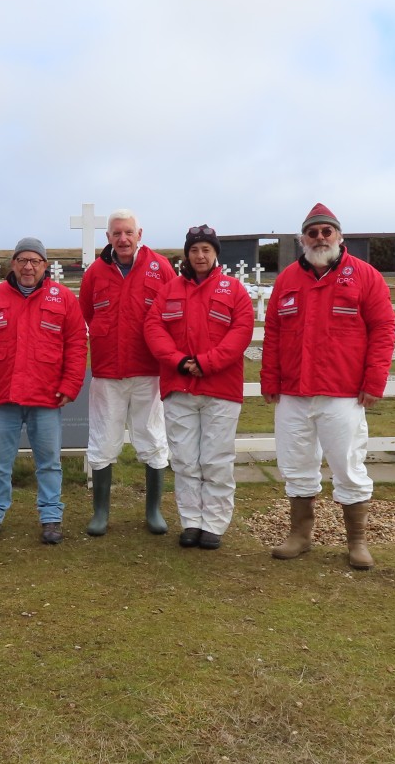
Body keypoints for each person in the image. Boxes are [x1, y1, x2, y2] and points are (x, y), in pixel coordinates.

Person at [261, 203, 395, 569]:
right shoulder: (287, 279)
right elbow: (273, 332)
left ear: (339, 236)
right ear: (302, 238)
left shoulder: (365, 276)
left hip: (343, 392)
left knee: (347, 464)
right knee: (296, 462)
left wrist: (374, 381)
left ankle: (357, 541)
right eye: (313, 232)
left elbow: (383, 330)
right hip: (293, 392)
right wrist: (270, 379)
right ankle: (300, 536)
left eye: (326, 231)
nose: (320, 238)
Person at [0, 238, 87, 544]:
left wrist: (70, 385)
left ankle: (51, 518)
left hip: (45, 396)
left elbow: (76, 345)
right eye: (22, 260)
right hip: (2, 394)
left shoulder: (63, 299)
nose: (28, 266)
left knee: (49, 462)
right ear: (13, 264)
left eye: (35, 261)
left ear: (45, 266)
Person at [143, 225, 254, 550]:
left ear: (215, 253)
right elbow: (154, 326)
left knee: (216, 459)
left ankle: (214, 523)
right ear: (187, 254)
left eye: (206, 249)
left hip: (221, 389)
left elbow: (241, 331)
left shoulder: (234, 290)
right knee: (185, 459)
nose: (200, 255)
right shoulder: (170, 290)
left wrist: (207, 362)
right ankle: (191, 521)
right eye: (194, 250)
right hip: (179, 387)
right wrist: (177, 360)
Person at [78, 209, 173, 536]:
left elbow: (174, 312)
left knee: (152, 438)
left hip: (149, 372)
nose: (122, 239)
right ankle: (101, 511)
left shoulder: (160, 268)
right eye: (116, 233)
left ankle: (153, 511)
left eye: (128, 232)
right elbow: (86, 313)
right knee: (103, 439)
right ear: (108, 237)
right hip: (107, 374)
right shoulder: (95, 273)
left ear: (139, 234)